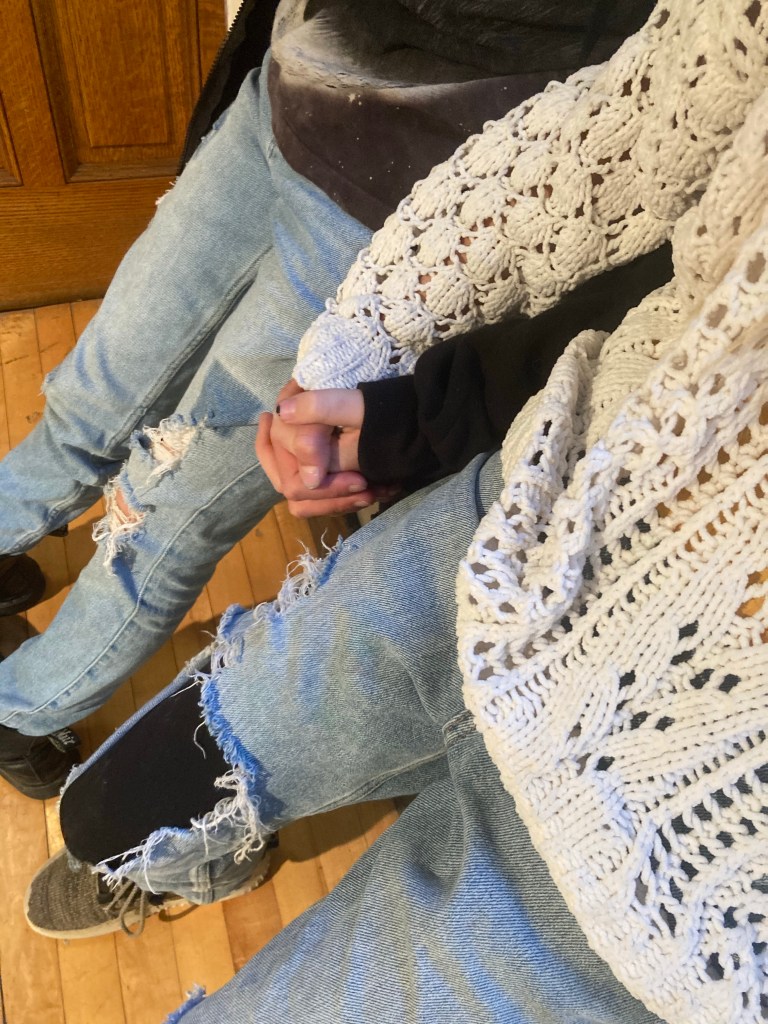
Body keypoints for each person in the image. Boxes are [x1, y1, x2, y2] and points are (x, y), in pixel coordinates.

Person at [24, 2, 768, 1022]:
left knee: (168, 495)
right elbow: (630, 130)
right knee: (119, 798)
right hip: (538, 517)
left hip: (679, 888)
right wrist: (368, 357)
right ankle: (191, 853)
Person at [0, 0, 653, 799]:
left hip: (415, 209)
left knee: (164, 503)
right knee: (93, 397)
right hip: (292, 86)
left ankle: (23, 709)